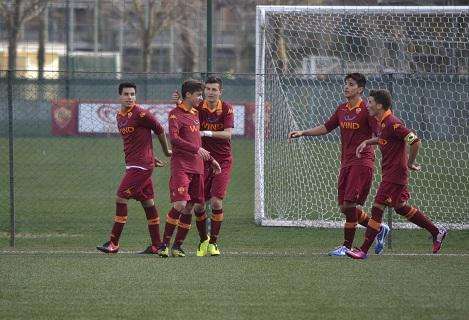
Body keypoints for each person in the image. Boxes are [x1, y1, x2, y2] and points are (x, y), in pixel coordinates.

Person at [288, 73, 389, 256]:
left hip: (362, 162)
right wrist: (303, 132)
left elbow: (380, 136)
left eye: (351, 84)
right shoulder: (342, 109)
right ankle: (378, 228)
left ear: (360, 89)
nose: (346, 87)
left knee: (350, 205)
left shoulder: (367, 111)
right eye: (345, 84)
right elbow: (326, 127)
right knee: (344, 207)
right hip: (346, 162)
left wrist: (367, 144)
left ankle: (347, 246)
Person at [347, 89, 447, 259]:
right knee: (400, 207)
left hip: (395, 174)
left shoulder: (393, 122)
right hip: (391, 173)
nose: (367, 105)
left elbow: (415, 141)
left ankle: (363, 250)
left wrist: (409, 163)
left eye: (370, 102)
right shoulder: (383, 122)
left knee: (377, 208)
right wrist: (367, 141)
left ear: (379, 105)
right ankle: (437, 231)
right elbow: (384, 139)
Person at [97, 82, 171, 254]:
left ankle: (113, 243)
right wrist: (151, 157)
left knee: (121, 198)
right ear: (120, 96)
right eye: (126, 94)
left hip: (140, 168)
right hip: (136, 164)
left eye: (132, 94)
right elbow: (136, 140)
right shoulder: (119, 116)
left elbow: (159, 128)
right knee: (148, 203)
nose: (129, 97)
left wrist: (166, 150)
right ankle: (156, 245)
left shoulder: (141, 113)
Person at [172, 76, 234, 256]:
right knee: (198, 206)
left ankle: (214, 243)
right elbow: (182, 111)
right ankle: (202, 240)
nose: (210, 93)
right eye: (207, 89)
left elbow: (228, 135)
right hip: (202, 161)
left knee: (215, 201)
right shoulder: (198, 106)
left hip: (222, 160)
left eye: (214, 90)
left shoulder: (227, 108)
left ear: (220, 92)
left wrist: (205, 132)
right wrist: (178, 102)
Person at [159, 79, 221, 257]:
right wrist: (197, 149)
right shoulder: (174, 114)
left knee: (189, 208)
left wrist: (211, 160)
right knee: (180, 204)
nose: (201, 98)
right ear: (188, 95)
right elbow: (175, 139)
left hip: (198, 168)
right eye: (199, 95)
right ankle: (164, 245)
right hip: (181, 166)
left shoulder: (195, 113)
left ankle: (177, 246)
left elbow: (197, 142)